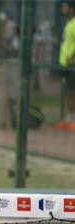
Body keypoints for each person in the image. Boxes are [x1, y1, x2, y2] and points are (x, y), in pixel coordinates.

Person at [55, 0, 75, 131]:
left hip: (72, 65)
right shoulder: (68, 24)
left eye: (64, 7)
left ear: (72, 9)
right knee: (68, 92)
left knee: (72, 92)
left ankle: (72, 120)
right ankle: (69, 119)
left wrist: (73, 57)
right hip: (65, 65)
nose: (62, 9)